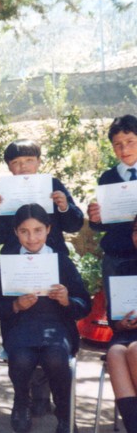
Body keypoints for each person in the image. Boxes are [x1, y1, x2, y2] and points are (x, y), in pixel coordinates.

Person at [0, 138, 85, 416]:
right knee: (27, 326)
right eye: (16, 163)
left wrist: (64, 207)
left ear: (39, 162)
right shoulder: (3, 193)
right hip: (17, 263)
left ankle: (47, 399)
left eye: (28, 160)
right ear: (9, 168)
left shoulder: (53, 185)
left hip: (51, 261)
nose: (23, 167)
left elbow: (75, 222)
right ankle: (29, 398)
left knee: (49, 322)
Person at [0, 203, 91, 433]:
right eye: (24, 231)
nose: (31, 238)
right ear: (15, 232)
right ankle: (21, 402)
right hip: (20, 327)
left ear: (48, 230)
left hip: (57, 327)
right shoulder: (7, 263)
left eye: (38, 230)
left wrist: (66, 300)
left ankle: (64, 413)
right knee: (21, 357)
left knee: (55, 356)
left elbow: (84, 305)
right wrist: (15, 306)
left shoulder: (60, 260)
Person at [88, 114, 137, 308]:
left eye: (131, 142)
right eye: (118, 144)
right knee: (120, 312)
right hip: (117, 257)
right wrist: (96, 218)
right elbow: (103, 224)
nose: (124, 149)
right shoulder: (107, 178)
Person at [104, 214, 137, 433]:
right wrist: (122, 323)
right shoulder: (125, 267)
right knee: (115, 353)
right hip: (129, 333)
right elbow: (113, 319)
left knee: (135, 351)